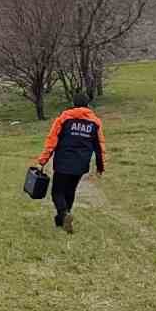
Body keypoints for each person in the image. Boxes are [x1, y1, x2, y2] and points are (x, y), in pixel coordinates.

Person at [32, 92, 105, 234]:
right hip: (81, 165)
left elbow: (51, 142)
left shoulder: (63, 118)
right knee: (70, 191)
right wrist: (100, 167)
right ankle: (62, 219)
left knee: (57, 192)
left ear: (73, 104)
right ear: (88, 105)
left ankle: (64, 214)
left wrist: (42, 161)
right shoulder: (95, 123)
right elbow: (99, 147)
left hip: (63, 162)